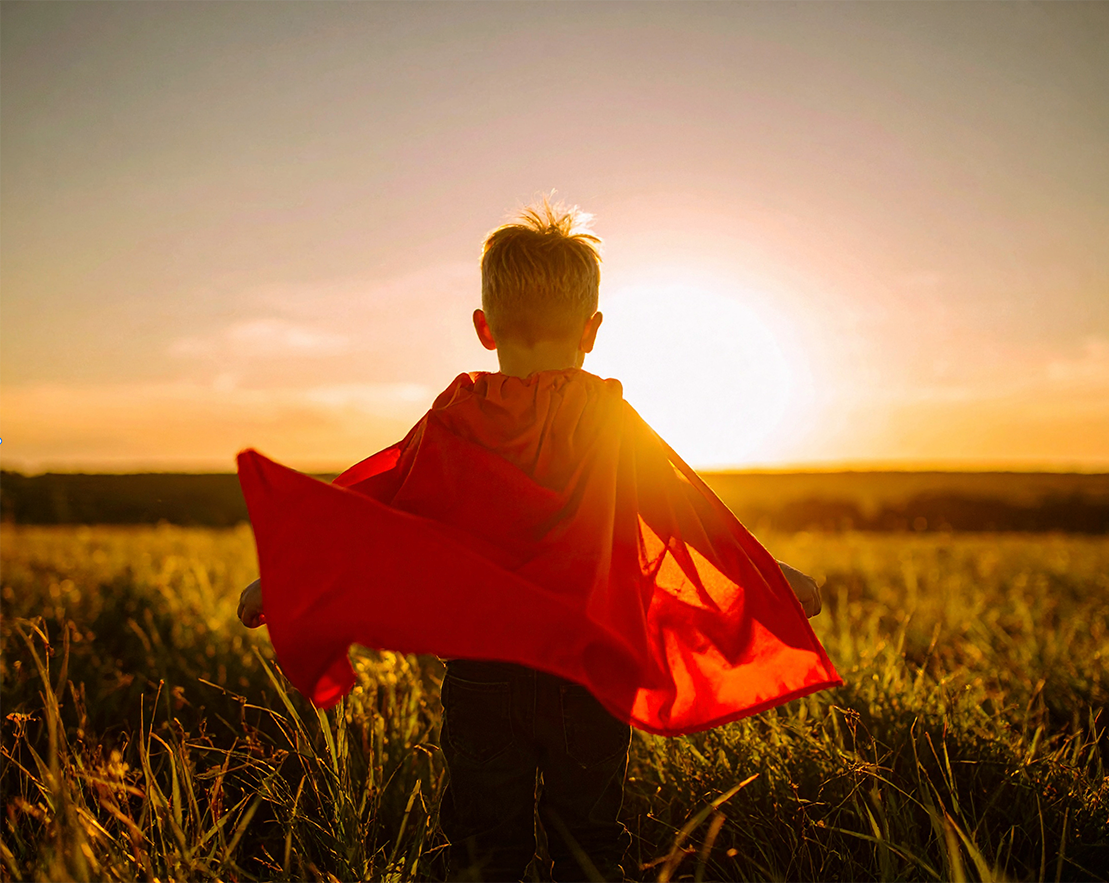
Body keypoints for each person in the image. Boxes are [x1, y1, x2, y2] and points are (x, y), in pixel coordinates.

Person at [236, 198, 837, 882]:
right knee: (588, 840)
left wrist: (287, 576)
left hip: (482, 670)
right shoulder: (607, 419)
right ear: (592, 329)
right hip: (588, 663)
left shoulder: (459, 417)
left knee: (483, 845)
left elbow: (381, 504)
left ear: (484, 326)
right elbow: (680, 510)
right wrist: (769, 575)